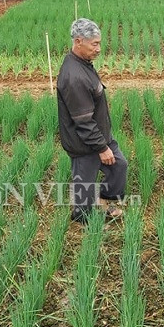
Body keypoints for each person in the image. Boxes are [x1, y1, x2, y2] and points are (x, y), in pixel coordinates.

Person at [57, 18, 128, 223]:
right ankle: (84, 223)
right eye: (94, 44)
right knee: (84, 190)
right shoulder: (74, 77)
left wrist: (104, 142)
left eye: (99, 43)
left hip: (100, 135)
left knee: (119, 166)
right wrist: (101, 148)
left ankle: (104, 201)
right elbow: (83, 121)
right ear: (79, 42)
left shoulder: (83, 64)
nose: (99, 48)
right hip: (84, 143)